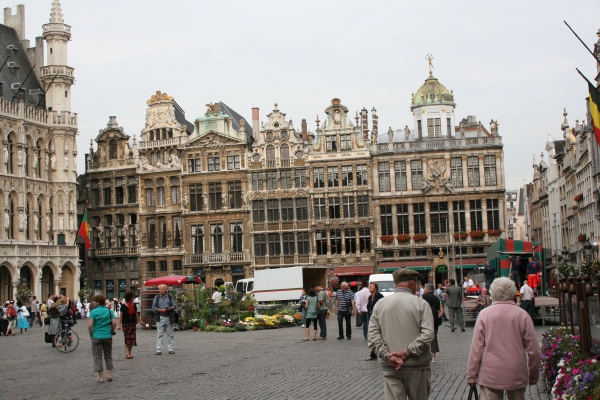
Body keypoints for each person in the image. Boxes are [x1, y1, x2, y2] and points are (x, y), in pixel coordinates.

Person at [467, 277, 541, 400]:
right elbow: (533, 350)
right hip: (515, 371)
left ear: (492, 293)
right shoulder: (522, 315)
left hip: (490, 372)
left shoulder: (484, 314)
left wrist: (471, 374)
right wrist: (533, 374)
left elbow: (476, 348)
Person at [368, 268, 435, 400]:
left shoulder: (380, 304)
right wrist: (407, 352)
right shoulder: (421, 303)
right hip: (416, 365)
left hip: (391, 366)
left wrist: (387, 355)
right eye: (415, 284)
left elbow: (372, 336)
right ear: (411, 283)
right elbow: (428, 334)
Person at [88, 294, 116, 383]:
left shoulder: (93, 312)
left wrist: (91, 333)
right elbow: (114, 322)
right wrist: (112, 330)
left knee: (97, 357)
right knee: (108, 356)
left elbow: (90, 325)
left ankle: (101, 377)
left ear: (97, 302)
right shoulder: (109, 311)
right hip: (107, 335)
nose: (93, 303)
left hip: (96, 335)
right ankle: (109, 374)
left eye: (94, 301)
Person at [117, 291, 143, 359]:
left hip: (133, 323)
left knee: (132, 338)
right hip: (125, 323)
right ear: (129, 297)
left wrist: (140, 321)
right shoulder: (123, 305)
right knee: (127, 337)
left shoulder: (134, 305)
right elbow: (121, 315)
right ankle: (127, 353)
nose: (133, 298)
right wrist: (119, 324)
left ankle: (130, 352)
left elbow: (136, 314)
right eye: (132, 297)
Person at [152, 284, 177, 355]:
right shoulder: (156, 297)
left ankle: (171, 349)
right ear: (159, 290)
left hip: (169, 317)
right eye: (161, 289)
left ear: (166, 289)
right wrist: (161, 310)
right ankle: (159, 349)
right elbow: (153, 308)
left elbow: (174, 305)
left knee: (170, 334)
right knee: (160, 334)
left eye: (163, 289)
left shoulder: (169, 296)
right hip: (160, 317)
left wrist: (170, 308)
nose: (162, 290)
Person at [422, 283, 443, 363]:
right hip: (435, 322)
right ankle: (433, 357)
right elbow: (442, 311)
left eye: (424, 288)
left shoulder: (422, 297)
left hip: (425, 321)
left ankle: (424, 354)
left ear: (427, 289)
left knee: (423, 337)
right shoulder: (437, 298)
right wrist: (437, 318)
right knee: (434, 338)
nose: (423, 289)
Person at [364, 281, 384, 361]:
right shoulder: (370, 297)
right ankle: (374, 354)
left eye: (371, 286)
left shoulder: (379, 296)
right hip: (372, 318)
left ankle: (376, 354)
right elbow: (369, 307)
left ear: (375, 288)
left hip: (379, 319)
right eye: (369, 286)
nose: (370, 288)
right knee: (374, 336)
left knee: (378, 336)